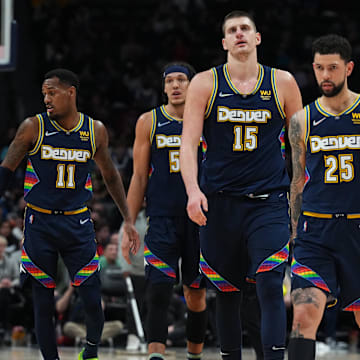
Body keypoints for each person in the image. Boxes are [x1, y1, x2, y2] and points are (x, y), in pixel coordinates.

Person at [180, 10, 302, 360]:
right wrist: (192, 190)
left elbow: (301, 146)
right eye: (232, 30)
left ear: (258, 37)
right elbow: (188, 143)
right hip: (219, 203)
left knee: (269, 284)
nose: (239, 34)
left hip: (269, 202)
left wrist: (300, 197)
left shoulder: (283, 82)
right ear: (224, 42)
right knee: (227, 291)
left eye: (245, 28)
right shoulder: (205, 82)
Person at [0, 68, 139, 360]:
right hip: (40, 222)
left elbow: (111, 176)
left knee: (91, 296)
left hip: (78, 222)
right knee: (43, 303)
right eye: (43, 94)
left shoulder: (94, 130)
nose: (46, 99)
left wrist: (127, 218)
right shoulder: (32, 127)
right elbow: (5, 172)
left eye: (52, 92)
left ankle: (90, 352)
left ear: (70, 92)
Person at [121, 62, 208, 360]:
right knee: (157, 290)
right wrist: (128, 222)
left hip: (200, 219)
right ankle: (155, 354)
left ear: (192, 84)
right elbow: (139, 177)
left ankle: (194, 354)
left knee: (195, 295)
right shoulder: (149, 121)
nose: (175, 85)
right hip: (161, 219)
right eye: (169, 80)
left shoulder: (207, 120)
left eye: (181, 79)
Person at [288, 34, 360, 359]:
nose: (325, 76)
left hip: (357, 229)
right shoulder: (301, 120)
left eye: (333, 68)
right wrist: (292, 232)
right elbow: (297, 182)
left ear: (349, 68)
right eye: (319, 68)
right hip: (315, 232)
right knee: (303, 316)